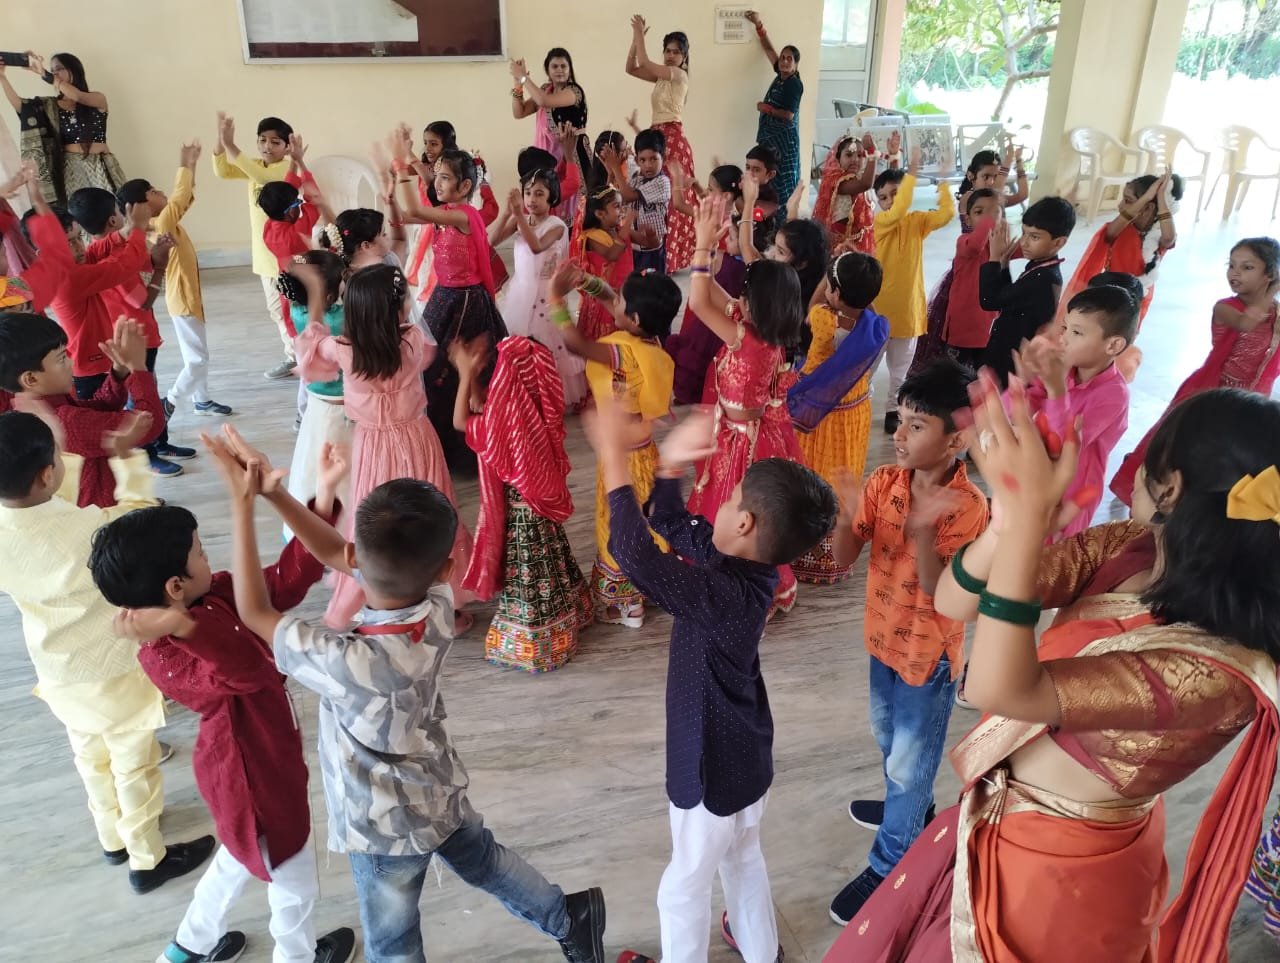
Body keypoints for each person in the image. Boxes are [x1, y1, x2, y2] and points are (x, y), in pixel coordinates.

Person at [829, 385, 1280, 962]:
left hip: (1059, 876)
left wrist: (1022, 523)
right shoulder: (1134, 549)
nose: (1134, 463)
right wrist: (1005, 520)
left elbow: (1000, 688)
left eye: (1149, 453)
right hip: (997, 819)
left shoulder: (1216, 677)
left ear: (1172, 487)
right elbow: (955, 598)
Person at [199, 427, 608, 963]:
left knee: (392, 944)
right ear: (446, 569)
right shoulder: (435, 604)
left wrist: (243, 502)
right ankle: (567, 917)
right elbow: (337, 554)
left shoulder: (345, 660)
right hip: (435, 785)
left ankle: (567, 917)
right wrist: (271, 493)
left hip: (381, 827)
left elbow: (255, 612)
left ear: (357, 554)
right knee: (483, 860)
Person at [590, 401, 834, 963]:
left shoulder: (722, 593)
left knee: (683, 887)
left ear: (745, 523)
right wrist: (671, 467)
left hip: (710, 772)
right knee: (744, 860)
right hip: (746, 759)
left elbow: (633, 554)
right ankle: (761, 950)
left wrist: (612, 454)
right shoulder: (746, 567)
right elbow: (670, 524)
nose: (718, 507)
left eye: (728, 500)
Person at [89, 453, 357, 963]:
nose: (208, 559)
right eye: (199, 552)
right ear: (174, 587)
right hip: (253, 781)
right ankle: (296, 957)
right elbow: (247, 671)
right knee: (293, 879)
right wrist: (184, 629)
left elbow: (279, 584)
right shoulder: (164, 656)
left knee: (237, 857)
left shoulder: (211, 595)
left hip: (253, 771)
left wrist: (321, 500)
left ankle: (188, 946)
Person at [0, 408, 215, 893]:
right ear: (47, 473)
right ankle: (147, 857)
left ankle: (111, 839)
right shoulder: (86, 531)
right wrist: (126, 459)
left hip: (57, 670)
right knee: (132, 762)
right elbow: (137, 513)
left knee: (89, 756)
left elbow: (45, 500)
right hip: (113, 667)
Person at [826, 357, 989, 926]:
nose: (900, 432)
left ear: (956, 440)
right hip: (881, 641)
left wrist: (922, 530)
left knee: (908, 762)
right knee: (889, 740)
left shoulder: (968, 508)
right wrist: (848, 516)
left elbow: (942, 591)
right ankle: (910, 809)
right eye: (902, 418)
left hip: (929, 660)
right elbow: (844, 559)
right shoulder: (883, 482)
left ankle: (890, 862)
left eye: (918, 425)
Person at [291, 261, 476, 631]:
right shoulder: (412, 341)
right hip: (417, 439)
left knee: (377, 520)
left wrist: (315, 297)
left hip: (373, 446)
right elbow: (426, 354)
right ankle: (448, 608)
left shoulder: (343, 350)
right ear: (398, 309)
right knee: (432, 511)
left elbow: (309, 343)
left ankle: (379, 601)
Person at [686, 196, 808, 615]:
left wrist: (702, 247)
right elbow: (717, 298)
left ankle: (748, 591)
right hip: (744, 435)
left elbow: (700, 303)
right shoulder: (765, 329)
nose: (738, 300)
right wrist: (712, 251)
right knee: (749, 518)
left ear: (758, 304)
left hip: (741, 447)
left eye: (745, 295)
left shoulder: (749, 342)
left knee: (741, 518)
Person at [450, 334, 592, 672]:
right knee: (552, 564)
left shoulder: (504, 421)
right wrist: (474, 382)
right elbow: (487, 409)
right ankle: (569, 619)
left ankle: (535, 642)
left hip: (522, 519)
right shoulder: (537, 410)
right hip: (543, 509)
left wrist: (465, 374)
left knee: (529, 574)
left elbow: (461, 422)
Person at [551, 261, 678, 628]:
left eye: (622, 302)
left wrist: (556, 298)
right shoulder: (649, 342)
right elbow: (612, 299)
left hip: (620, 458)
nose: (614, 302)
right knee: (647, 522)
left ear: (633, 318)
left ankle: (629, 605)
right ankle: (654, 586)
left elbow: (575, 343)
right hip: (645, 452)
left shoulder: (620, 353)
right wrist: (588, 283)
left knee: (618, 525)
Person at [1111, 236, 1280, 506]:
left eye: (1247, 268)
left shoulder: (1275, 314)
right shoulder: (1227, 308)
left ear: (1268, 274)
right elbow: (1247, 324)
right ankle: (1145, 490)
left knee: (1225, 456)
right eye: (1232, 265)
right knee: (1178, 444)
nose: (1234, 273)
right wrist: (1274, 289)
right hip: (1211, 391)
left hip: (1251, 399)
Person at [393, 136, 508, 476]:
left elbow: (412, 209)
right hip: (445, 296)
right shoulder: (447, 211)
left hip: (465, 303)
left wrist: (400, 164)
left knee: (453, 374)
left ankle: (465, 452)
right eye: (438, 176)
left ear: (465, 186)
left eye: (444, 177)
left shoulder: (462, 215)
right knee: (431, 369)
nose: (437, 183)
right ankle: (438, 447)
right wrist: (413, 165)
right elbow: (411, 209)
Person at [67, 186, 192, 476]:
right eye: (122, 213)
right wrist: (159, 268)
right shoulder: (98, 266)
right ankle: (148, 452)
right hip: (132, 340)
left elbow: (131, 257)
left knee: (146, 391)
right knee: (139, 399)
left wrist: (153, 255)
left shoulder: (100, 251)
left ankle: (159, 444)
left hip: (138, 337)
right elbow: (141, 298)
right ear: (114, 219)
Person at [789, 252, 889, 584]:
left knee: (812, 472)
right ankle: (834, 554)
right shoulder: (875, 327)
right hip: (854, 411)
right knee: (844, 470)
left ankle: (802, 549)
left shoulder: (822, 320)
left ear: (834, 290)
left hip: (821, 413)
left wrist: (830, 273)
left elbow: (813, 307)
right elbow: (862, 306)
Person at [118, 141, 235, 421]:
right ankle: (171, 401)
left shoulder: (160, 224)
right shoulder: (161, 225)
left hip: (186, 298)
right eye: (154, 191)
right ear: (143, 206)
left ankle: (202, 400)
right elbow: (180, 195)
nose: (162, 193)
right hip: (183, 301)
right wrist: (187, 163)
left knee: (197, 353)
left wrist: (191, 165)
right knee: (197, 359)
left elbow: (182, 198)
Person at [0, 314, 165, 507]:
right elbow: (150, 423)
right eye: (61, 359)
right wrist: (138, 367)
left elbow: (99, 409)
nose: (71, 363)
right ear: (31, 379)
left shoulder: (33, 404)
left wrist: (119, 371)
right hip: (103, 511)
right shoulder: (64, 421)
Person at [1014, 285, 1135, 540]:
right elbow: (1018, 414)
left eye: (1077, 332)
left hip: (1070, 498)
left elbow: (1060, 446)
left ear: (1113, 345)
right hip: (1034, 481)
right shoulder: (1066, 370)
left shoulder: (1113, 396)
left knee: (1048, 566)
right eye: (1065, 328)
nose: (1064, 339)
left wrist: (1056, 391)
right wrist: (1021, 383)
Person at [908, 147, 1029, 378]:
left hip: (986, 321)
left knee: (978, 372)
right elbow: (976, 241)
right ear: (973, 176)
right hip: (965, 292)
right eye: (987, 176)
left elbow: (1026, 245)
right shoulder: (967, 215)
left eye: (995, 176)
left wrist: (1019, 163)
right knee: (953, 372)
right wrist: (994, 210)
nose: (992, 181)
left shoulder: (998, 240)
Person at [872, 148, 956, 433]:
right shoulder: (880, 223)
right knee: (867, 367)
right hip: (877, 311)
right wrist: (911, 174)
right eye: (883, 196)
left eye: (895, 193)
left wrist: (943, 182)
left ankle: (892, 412)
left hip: (907, 311)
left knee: (899, 371)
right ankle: (855, 407)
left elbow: (946, 214)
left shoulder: (917, 222)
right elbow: (897, 211)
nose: (890, 201)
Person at [211, 111, 298, 380]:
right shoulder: (256, 166)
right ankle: (295, 355)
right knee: (276, 310)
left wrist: (231, 146)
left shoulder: (285, 168)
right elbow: (223, 170)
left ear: (287, 147)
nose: (267, 147)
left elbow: (262, 177)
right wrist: (221, 140)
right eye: (262, 140)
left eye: (275, 142)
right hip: (264, 256)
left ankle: (297, 357)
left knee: (288, 309)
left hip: (283, 255)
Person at [490, 169, 583, 405]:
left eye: (539, 194)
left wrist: (519, 218)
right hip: (521, 292)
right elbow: (490, 242)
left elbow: (537, 246)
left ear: (551, 197)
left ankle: (549, 393)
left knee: (547, 343)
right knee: (520, 341)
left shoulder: (557, 225)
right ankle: (526, 391)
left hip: (546, 294)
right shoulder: (521, 219)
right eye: (528, 193)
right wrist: (506, 214)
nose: (532, 199)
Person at [278, 252, 351, 539]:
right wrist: (320, 286)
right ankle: (344, 531)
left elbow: (294, 262)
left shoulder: (297, 310)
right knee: (343, 467)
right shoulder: (338, 319)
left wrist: (306, 271)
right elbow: (319, 327)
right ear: (331, 291)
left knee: (313, 465)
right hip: (341, 408)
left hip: (317, 407)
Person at [1057, 171, 1181, 331]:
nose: (1120, 205)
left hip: (1138, 297)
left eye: (1127, 201)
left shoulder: (1158, 235)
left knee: (1122, 338)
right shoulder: (1120, 228)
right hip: (1109, 292)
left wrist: (1160, 198)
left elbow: (1169, 238)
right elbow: (1111, 232)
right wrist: (1144, 198)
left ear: (1148, 208)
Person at [666, 166, 747, 405]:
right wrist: (694, 186)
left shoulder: (723, 221)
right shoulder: (737, 219)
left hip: (716, 280)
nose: (706, 193)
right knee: (710, 335)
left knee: (702, 336)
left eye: (711, 189)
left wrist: (679, 183)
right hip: (717, 281)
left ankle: (696, 387)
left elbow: (680, 205)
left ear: (727, 197)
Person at [1, 52, 124, 206]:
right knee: (84, 216)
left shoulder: (96, 98)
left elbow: (78, 97)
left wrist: (45, 74)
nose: (55, 73)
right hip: (72, 169)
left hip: (103, 166)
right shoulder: (50, 106)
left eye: (59, 69)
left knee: (116, 210)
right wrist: (2, 78)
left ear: (74, 70)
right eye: (53, 70)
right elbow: (21, 107)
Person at [980, 195, 1077, 387]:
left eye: (1034, 236)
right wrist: (1004, 264)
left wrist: (993, 258)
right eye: (1024, 233)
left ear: (1059, 242)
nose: (1024, 242)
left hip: (1013, 359)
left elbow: (989, 300)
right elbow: (1007, 297)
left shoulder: (1043, 277)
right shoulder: (1041, 267)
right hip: (1010, 349)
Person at [626, 16, 696, 274]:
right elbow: (631, 68)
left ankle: (670, 259)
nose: (670, 55)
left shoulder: (678, 75)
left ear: (684, 57)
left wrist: (638, 33)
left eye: (676, 52)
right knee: (655, 199)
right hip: (658, 135)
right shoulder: (662, 78)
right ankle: (658, 254)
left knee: (670, 199)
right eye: (667, 51)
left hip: (672, 139)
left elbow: (643, 62)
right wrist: (636, 40)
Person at [934, 188, 1003, 371]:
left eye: (995, 211)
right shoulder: (964, 241)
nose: (987, 218)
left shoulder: (998, 244)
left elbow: (1025, 249)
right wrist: (991, 218)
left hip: (987, 329)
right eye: (980, 212)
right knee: (954, 381)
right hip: (961, 330)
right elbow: (975, 245)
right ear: (968, 220)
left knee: (981, 382)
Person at [744, 11, 804, 204]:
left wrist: (766, 108)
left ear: (795, 65)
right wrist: (758, 25)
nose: (784, 61)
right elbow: (770, 51)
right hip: (770, 140)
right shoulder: (781, 76)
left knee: (780, 180)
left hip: (783, 142)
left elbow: (788, 115)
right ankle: (766, 221)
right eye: (783, 57)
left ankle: (781, 223)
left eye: (789, 59)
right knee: (767, 179)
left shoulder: (793, 84)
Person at [509, 48, 591, 187]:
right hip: (545, 158)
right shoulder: (545, 90)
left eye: (564, 66)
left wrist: (524, 77)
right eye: (554, 66)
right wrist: (518, 84)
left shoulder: (574, 91)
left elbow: (544, 101)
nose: (560, 70)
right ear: (547, 71)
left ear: (570, 70)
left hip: (572, 155)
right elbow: (519, 112)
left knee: (574, 201)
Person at [572, 183, 637, 341]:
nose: (622, 210)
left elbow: (646, 241)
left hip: (624, 292)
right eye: (617, 206)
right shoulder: (593, 236)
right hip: (603, 296)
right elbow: (612, 254)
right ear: (600, 214)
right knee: (607, 336)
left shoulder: (617, 229)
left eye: (622, 205)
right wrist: (627, 224)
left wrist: (651, 237)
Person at [604, 129, 672, 275]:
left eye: (653, 159)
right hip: (635, 246)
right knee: (636, 287)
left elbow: (627, 195)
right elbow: (620, 196)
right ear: (637, 160)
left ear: (663, 158)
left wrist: (616, 167)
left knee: (652, 288)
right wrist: (611, 172)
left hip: (652, 249)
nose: (648, 165)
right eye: (643, 160)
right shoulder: (638, 179)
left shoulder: (662, 182)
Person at [811, 132, 882, 255]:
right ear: (838, 158)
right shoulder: (837, 181)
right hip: (840, 246)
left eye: (860, 155)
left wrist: (894, 156)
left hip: (858, 241)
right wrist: (871, 153)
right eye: (849, 155)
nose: (855, 160)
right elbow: (865, 184)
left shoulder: (862, 176)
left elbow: (887, 181)